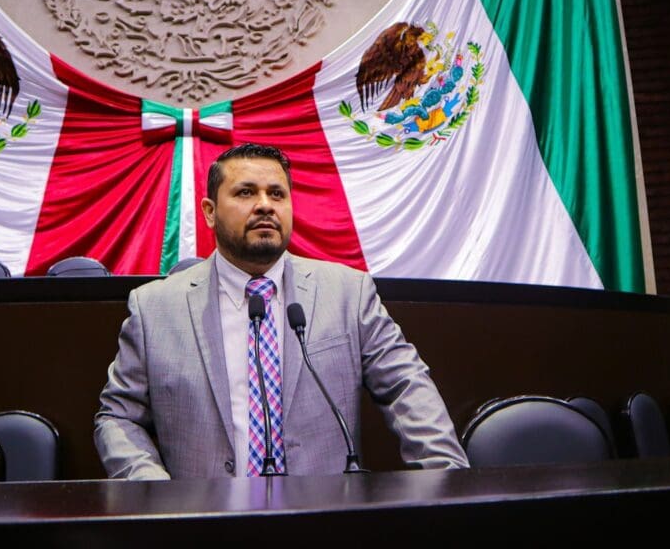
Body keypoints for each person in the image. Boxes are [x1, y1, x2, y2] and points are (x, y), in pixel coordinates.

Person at [94, 143, 468, 479]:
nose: (265, 205)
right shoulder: (155, 308)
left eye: (277, 194)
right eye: (245, 192)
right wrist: (152, 488)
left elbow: (407, 386)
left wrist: (447, 482)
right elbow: (118, 417)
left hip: (322, 517)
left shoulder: (347, 293)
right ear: (209, 211)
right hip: (201, 520)